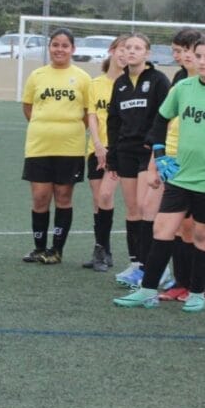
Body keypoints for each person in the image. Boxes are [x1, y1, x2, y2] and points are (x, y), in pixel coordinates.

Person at [113, 34, 205, 312]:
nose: (201, 61)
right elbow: (160, 119)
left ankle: (197, 292)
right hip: (180, 175)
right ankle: (147, 289)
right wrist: (161, 156)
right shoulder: (183, 87)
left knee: (202, 235)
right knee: (162, 229)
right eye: (198, 56)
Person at [17, 27, 93, 265]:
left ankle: (56, 250)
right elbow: (28, 107)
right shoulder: (37, 75)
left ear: (73, 49)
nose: (59, 49)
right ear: (49, 47)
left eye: (65, 45)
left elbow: (87, 113)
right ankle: (39, 248)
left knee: (63, 196)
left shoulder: (82, 77)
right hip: (39, 145)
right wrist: (45, 125)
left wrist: (67, 128)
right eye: (55, 44)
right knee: (40, 197)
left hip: (70, 147)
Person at [105, 34, 172, 278]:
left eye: (137, 48)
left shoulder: (158, 80)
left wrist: (156, 146)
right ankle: (136, 264)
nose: (131, 52)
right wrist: (112, 153)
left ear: (147, 53)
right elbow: (113, 121)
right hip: (125, 151)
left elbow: (165, 116)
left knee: (147, 207)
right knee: (132, 209)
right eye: (127, 47)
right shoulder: (120, 83)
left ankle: (154, 267)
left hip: (148, 153)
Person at [82, 37, 125, 272]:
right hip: (96, 149)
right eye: (121, 49)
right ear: (112, 51)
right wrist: (98, 144)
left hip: (118, 152)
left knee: (106, 197)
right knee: (98, 199)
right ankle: (103, 250)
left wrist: (112, 149)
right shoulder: (95, 83)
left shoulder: (130, 84)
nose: (124, 54)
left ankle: (102, 248)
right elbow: (92, 115)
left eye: (129, 50)